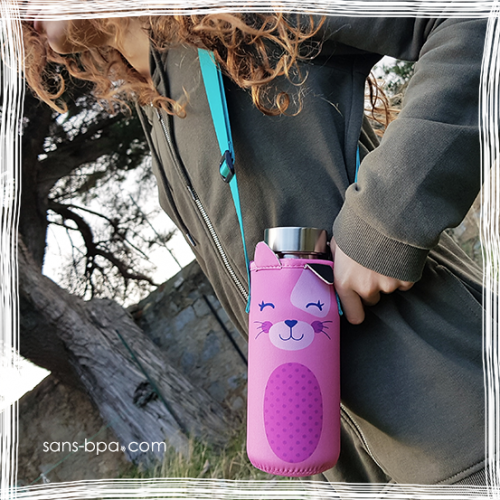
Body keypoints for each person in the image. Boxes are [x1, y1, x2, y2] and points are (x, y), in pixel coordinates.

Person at [22, 8, 486, 485]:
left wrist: (384, 222)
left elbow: (476, 21)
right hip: (344, 460)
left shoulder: (232, 14)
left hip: (460, 422)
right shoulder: (156, 100)